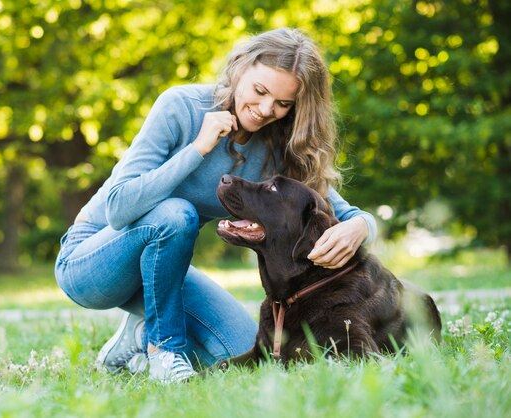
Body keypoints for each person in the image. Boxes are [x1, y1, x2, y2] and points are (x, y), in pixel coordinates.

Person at [54, 27, 377, 383]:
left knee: (244, 348)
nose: (267, 109)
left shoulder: (282, 144)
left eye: (283, 104)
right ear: (241, 69)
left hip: (163, 269)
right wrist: (198, 149)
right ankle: (164, 349)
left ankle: (136, 337)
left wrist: (361, 227)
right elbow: (118, 209)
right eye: (260, 91)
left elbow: (345, 213)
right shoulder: (181, 107)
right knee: (176, 215)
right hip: (91, 260)